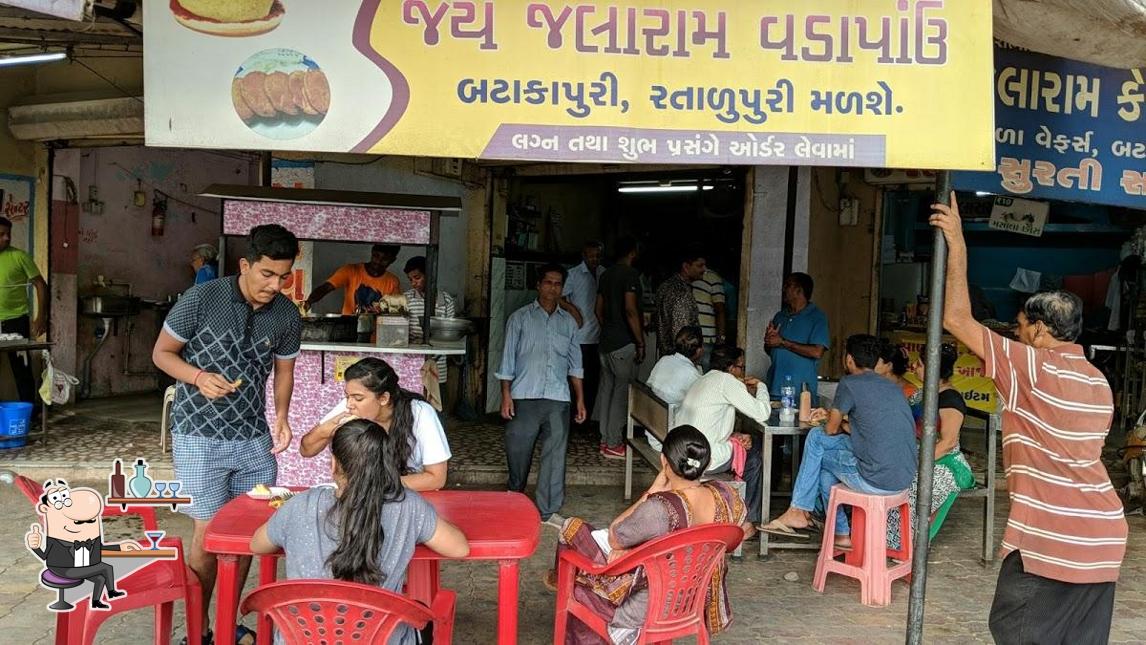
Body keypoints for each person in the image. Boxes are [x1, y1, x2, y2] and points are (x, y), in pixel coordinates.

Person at [931, 192, 1127, 644]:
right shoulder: (1098, 381)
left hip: (1051, 538)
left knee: (1016, 630)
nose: (1015, 334)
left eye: (1019, 327)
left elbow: (956, 318)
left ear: (1039, 330)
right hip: (1101, 538)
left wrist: (957, 243)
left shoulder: (1032, 367)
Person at [152, 224, 301, 645]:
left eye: (283, 276)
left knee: (248, 533)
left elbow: (284, 371)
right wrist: (197, 377)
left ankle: (224, 627)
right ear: (245, 265)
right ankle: (198, 630)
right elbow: (162, 354)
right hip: (198, 434)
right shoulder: (202, 298)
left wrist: (283, 416)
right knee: (207, 532)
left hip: (253, 438)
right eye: (266, 275)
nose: (274, 285)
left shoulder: (287, 314)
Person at [251, 419, 469, 645]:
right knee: (424, 615)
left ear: (334, 465)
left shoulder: (299, 505)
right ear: (386, 465)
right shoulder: (408, 506)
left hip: (300, 640)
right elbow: (459, 547)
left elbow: (257, 545)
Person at [544, 425, 745, 644]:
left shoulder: (660, 508)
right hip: (692, 601)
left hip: (645, 608)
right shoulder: (726, 496)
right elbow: (732, 537)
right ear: (705, 463)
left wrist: (653, 491)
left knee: (573, 539)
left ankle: (617, 628)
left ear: (663, 462)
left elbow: (614, 536)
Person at [762, 334, 916, 551]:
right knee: (825, 470)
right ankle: (841, 535)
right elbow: (862, 428)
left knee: (817, 442)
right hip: (903, 477)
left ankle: (799, 511)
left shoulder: (850, 383)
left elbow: (830, 429)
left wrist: (829, 418)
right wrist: (840, 421)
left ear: (849, 359)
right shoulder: (891, 386)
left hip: (875, 478)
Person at [497, 263, 587, 522]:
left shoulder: (569, 323)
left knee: (555, 456)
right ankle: (515, 494)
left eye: (558, 284)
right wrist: (506, 395)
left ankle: (548, 509)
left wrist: (579, 399)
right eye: (548, 282)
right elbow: (507, 361)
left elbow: (576, 364)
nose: (552, 288)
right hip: (524, 395)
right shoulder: (520, 318)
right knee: (518, 449)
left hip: (558, 398)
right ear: (538, 285)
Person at [300, 357, 451, 491]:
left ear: (384, 398)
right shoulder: (349, 406)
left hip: (409, 495)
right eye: (347, 396)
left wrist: (374, 486)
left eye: (358, 398)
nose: (350, 404)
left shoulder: (420, 413)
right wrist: (326, 431)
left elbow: (436, 478)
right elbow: (306, 450)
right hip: (365, 494)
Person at [886, 343, 974, 551]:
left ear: (933, 368)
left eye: (920, 364)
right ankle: (886, 541)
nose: (915, 366)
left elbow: (948, 442)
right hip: (919, 456)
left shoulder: (950, 399)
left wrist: (915, 464)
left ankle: (905, 546)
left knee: (912, 486)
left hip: (944, 463)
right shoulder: (922, 394)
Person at [675, 345, 769, 533]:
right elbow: (763, 412)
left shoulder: (704, 379)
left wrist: (734, 436)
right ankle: (747, 521)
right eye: (741, 367)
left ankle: (738, 512)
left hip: (681, 452)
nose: (742, 372)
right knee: (756, 451)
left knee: (747, 445)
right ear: (731, 367)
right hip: (702, 458)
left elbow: (709, 421)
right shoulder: (727, 382)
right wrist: (762, 386)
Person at [594, 237, 644, 459]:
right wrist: (640, 341)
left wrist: (609, 328)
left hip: (605, 341)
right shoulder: (630, 275)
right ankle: (614, 443)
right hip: (623, 343)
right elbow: (631, 310)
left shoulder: (605, 274)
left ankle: (605, 440)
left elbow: (598, 310)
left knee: (607, 390)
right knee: (621, 392)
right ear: (633, 252)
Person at [0, 215, 47, 406]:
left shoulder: (19, 257)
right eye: (1, 234)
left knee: (21, 367)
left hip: (15, 320)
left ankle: (30, 411)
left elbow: (40, 285)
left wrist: (40, 318)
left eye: (8, 234)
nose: (6, 238)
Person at [765, 272, 829, 399]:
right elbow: (770, 350)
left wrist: (782, 342)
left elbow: (817, 352)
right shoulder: (780, 316)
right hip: (775, 387)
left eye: (788, 285)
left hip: (801, 392)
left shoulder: (817, 317)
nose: (783, 289)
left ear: (799, 290)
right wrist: (769, 341)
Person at [561, 241, 605, 428]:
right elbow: (559, 298)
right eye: (591, 255)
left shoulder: (604, 273)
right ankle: (572, 421)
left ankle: (585, 422)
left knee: (593, 382)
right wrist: (574, 311)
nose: (594, 259)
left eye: (597, 256)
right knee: (576, 382)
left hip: (598, 337)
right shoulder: (573, 274)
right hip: (579, 338)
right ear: (584, 255)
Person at [403, 255, 457, 384]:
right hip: (412, 360)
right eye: (410, 279)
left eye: (417, 278)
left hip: (438, 362)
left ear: (430, 275)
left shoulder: (445, 300)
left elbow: (449, 333)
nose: (413, 283)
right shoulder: (406, 299)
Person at [305, 244, 401, 314]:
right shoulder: (350, 270)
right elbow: (326, 288)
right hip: (348, 330)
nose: (378, 261)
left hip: (376, 335)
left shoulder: (393, 281)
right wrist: (309, 302)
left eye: (385, 259)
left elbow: (395, 311)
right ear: (372, 252)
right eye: (376, 256)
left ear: (393, 260)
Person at [654, 247, 705, 358]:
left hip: (665, 357)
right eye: (699, 266)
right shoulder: (682, 293)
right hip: (680, 358)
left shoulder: (664, 286)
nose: (704, 269)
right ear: (686, 267)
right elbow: (683, 336)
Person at [645, 325, 704, 407]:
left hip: (649, 409)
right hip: (669, 416)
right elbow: (700, 403)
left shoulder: (664, 359)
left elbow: (649, 384)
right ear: (699, 351)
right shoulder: (692, 374)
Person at [692, 265, 726, 367]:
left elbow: (720, 309)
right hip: (699, 337)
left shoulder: (711, 278)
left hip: (700, 337)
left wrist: (721, 339)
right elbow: (720, 310)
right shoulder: (712, 278)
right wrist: (721, 339)